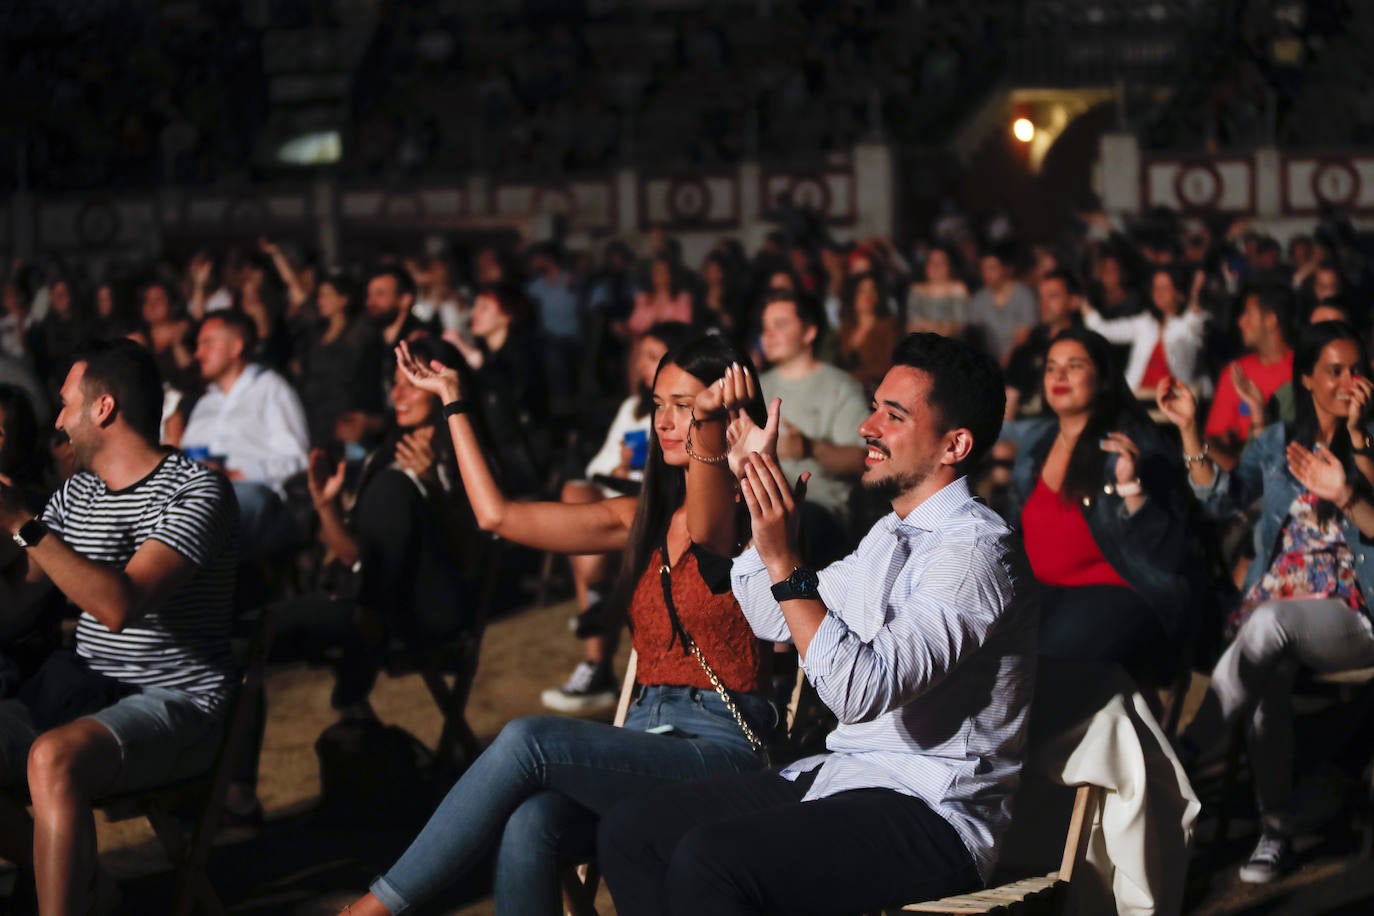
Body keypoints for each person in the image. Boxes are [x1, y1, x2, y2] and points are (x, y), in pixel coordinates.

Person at [335, 334, 778, 916]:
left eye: (687, 405)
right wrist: (453, 400)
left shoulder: (751, 515)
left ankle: (373, 909)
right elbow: (497, 515)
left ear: (724, 414)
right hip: (644, 738)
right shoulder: (638, 521)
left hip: (722, 746)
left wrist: (714, 424)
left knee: (525, 739)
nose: (667, 421)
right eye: (658, 404)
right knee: (530, 819)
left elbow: (706, 524)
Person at [598, 333, 1040, 915]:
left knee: (711, 860)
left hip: (932, 810)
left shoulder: (978, 550)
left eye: (893, 414)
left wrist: (786, 561)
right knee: (634, 830)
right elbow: (769, 617)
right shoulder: (890, 535)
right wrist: (757, 505)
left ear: (954, 444)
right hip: (845, 775)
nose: (867, 426)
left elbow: (861, 693)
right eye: (875, 406)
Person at [0, 339, 237, 914]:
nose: (57, 422)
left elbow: (119, 604)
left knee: (54, 759)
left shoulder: (195, 491)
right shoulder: (78, 493)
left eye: (64, 405)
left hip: (177, 703)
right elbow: (15, 603)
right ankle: (86, 885)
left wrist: (21, 523)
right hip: (86, 689)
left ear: (102, 409)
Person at [1162, 320, 1374, 884]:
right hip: (1276, 607)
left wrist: (1356, 459)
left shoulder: (1371, 440)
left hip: (1353, 610)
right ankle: (1274, 832)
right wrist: (1188, 430)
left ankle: (1178, 758)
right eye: (1334, 370)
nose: (1349, 380)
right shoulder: (1277, 443)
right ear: (1306, 378)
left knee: (1268, 626)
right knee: (1265, 672)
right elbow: (1220, 498)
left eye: (1357, 370)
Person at [281, 335, 485, 718]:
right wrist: (325, 507)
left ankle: (359, 642)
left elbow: (473, 557)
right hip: (379, 600)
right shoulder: (384, 455)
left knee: (393, 488)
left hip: (434, 606)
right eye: (395, 384)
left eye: (413, 383)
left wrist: (435, 493)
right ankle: (353, 693)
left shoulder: (464, 453)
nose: (399, 394)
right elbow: (354, 556)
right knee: (271, 625)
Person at [1009, 326, 1199, 675]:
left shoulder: (1131, 446)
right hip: (1040, 592)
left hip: (1117, 592)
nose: (1059, 376)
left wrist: (1131, 489)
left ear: (1102, 378)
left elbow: (1169, 550)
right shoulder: (1038, 443)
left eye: (1075, 366)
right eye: (1051, 367)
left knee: (1043, 670)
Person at [542, 322, 694, 713]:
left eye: (652, 355)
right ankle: (599, 600)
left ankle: (597, 657)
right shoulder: (632, 409)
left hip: (657, 506)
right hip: (618, 497)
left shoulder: (685, 407)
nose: (643, 364)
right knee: (575, 492)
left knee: (592, 540)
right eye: (640, 355)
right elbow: (598, 468)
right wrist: (625, 467)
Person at [180, 310, 309, 558]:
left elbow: (298, 460)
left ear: (236, 346)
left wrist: (240, 472)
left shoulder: (271, 387)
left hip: (251, 492)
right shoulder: (206, 401)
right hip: (197, 491)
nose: (198, 354)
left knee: (212, 510)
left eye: (207, 343)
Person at [758, 289, 868, 557]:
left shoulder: (840, 387)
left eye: (780, 325)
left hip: (817, 509)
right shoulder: (758, 386)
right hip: (760, 503)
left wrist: (811, 448)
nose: (767, 335)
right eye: (765, 327)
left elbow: (861, 459)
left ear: (809, 333)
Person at [1204, 284, 1295, 471]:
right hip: (1240, 470)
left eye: (1248, 314)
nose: (1241, 322)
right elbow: (1214, 435)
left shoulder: (1301, 370)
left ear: (1270, 320)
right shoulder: (1236, 371)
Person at [1082, 266, 1211, 398]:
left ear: (1179, 292)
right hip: (1142, 399)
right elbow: (1104, 330)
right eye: (1155, 288)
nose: (1158, 293)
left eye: (1164, 288)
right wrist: (1085, 305)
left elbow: (1195, 324)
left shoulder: (1191, 323)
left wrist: (1195, 294)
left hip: (1178, 400)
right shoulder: (1145, 323)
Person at [295, 273, 386, 449]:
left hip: (343, 416)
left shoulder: (358, 334)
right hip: (314, 415)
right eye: (320, 295)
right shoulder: (317, 333)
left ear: (344, 299)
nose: (321, 300)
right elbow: (301, 302)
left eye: (327, 295)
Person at [965, 245, 1037, 366]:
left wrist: (1007, 360)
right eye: (984, 269)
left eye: (992, 268)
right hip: (988, 362)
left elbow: (1024, 334)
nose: (987, 274)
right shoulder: (978, 299)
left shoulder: (1023, 295)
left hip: (1020, 360)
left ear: (1006, 269)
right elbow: (975, 336)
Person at [834, 271, 900, 395]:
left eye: (872, 290)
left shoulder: (888, 326)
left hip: (875, 391)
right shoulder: (846, 328)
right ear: (853, 296)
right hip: (845, 390)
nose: (868, 296)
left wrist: (852, 376)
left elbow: (887, 366)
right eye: (862, 291)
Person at [906, 243, 969, 338]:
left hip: (951, 345)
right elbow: (912, 324)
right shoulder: (917, 290)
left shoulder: (958, 289)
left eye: (941, 263)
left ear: (949, 265)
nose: (936, 267)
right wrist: (936, 326)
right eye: (932, 262)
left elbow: (960, 325)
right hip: (922, 344)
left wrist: (928, 326)